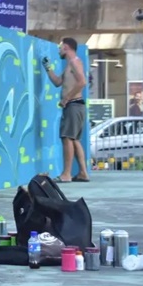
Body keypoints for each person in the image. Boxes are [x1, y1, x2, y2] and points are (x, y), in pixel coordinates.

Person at [45, 36, 90, 182]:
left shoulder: (75, 62)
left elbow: (82, 82)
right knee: (74, 139)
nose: (58, 50)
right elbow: (58, 82)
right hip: (75, 105)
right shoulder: (70, 65)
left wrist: (66, 98)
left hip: (73, 105)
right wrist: (48, 68)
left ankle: (66, 174)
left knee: (67, 138)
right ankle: (83, 173)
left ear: (66, 47)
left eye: (60, 47)